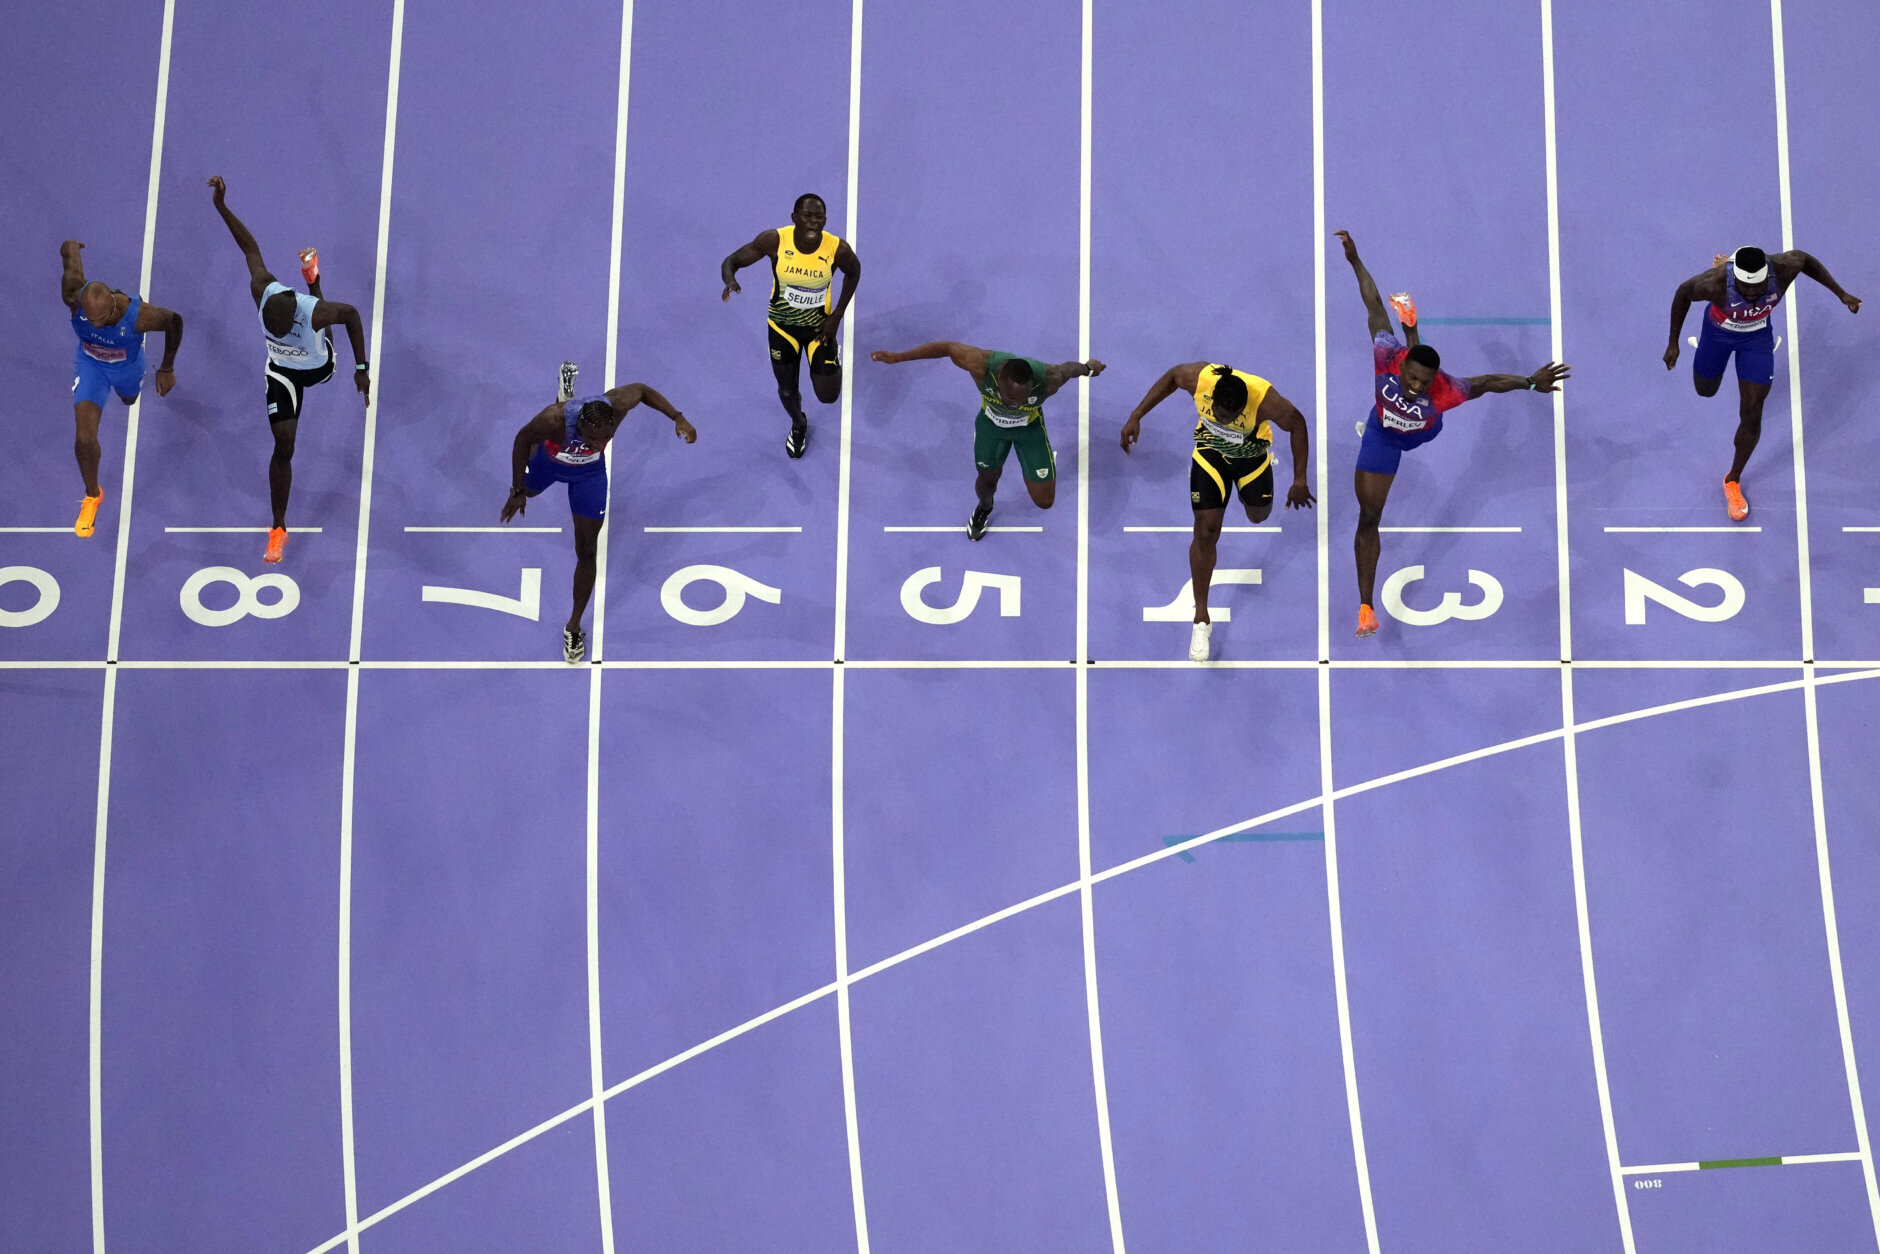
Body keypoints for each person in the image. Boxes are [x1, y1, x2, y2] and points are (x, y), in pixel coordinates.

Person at [1335, 229, 1568, 638]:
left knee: (1436, 391)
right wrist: (1355, 260)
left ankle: (1414, 326)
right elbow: (1372, 303)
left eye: (1424, 381)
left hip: (1423, 432)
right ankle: (1366, 606)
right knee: (1369, 517)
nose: (1416, 386)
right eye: (1412, 377)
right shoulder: (1387, 355)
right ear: (1402, 365)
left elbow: (1490, 382)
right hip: (1384, 436)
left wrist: (1531, 382)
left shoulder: (1446, 390)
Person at [207, 175, 370, 561]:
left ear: (294, 313)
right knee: (284, 445)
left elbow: (352, 315)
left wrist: (361, 368)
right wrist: (221, 206)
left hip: (319, 367)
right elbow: (249, 247)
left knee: (325, 323)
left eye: (285, 328)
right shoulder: (261, 289)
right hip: (281, 372)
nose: (280, 331)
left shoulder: (311, 314)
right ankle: (278, 527)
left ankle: (313, 280)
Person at [500, 366, 695, 663]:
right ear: (579, 424)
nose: (596, 444)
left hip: (588, 475)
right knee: (529, 491)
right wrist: (515, 491)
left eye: (604, 440)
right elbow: (521, 439)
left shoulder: (615, 405)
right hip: (549, 463)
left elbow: (641, 388)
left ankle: (573, 627)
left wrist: (677, 417)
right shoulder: (554, 419)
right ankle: (564, 396)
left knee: (587, 551)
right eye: (591, 439)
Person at [1121, 361, 1314, 660]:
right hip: (1210, 456)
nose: (1223, 422)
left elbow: (1297, 423)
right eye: (1219, 416)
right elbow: (1172, 376)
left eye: (1230, 417)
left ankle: (1244, 489)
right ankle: (1201, 620)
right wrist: (1137, 415)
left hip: (1250, 459)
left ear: (1244, 407)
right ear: (1212, 400)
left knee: (1258, 515)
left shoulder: (1265, 400)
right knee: (1205, 531)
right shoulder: (1199, 380)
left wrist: (1300, 478)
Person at [1664, 244, 1860, 520]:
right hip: (1717, 335)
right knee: (1705, 390)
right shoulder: (1713, 283)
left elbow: (1805, 259)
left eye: (1759, 287)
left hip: (1756, 340)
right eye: (1747, 288)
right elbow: (1682, 293)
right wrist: (1673, 343)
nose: (1754, 294)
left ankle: (1733, 480)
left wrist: (1842, 294)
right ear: (1736, 279)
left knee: (1753, 411)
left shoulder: (1782, 269)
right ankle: (1728, 264)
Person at [869, 341, 1104, 538]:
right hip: (991, 428)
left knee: (1044, 501)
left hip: (1028, 429)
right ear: (999, 380)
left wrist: (1089, 368)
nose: (1016, 403)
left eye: (1022, 398)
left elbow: (1070, 369)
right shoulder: (980, 365)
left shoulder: (1048, 379)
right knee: (987, 481)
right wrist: (900, 357)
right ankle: (984, 508)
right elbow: (947, 347)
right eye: (1011, 397)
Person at [720, 193, 860, 458]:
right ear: (794, 218)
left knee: (828, 397)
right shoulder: (774, 241)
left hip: (820, 329)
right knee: (787, 389)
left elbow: (854, 272)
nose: (813, 222)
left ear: (825, 220)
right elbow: (731, 261)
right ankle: (798, 424)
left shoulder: (836, 248)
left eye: (819, 217)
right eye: (807, 216)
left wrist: (837, 317)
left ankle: (830, 358)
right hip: (782, 328)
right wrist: (730, 280)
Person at [60, 240, 183, 537]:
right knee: (84, 438)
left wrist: (166, 367)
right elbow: (69, 257)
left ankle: (127, 392)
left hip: (127, 367)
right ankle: (92, 495)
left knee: (129, 399)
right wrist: (72, 246)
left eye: (100, 320)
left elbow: (175, 322)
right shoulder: (73, 295)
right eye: (90, 320)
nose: (95, 325)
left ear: (112, 306)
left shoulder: (138, 315)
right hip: (91, 367)